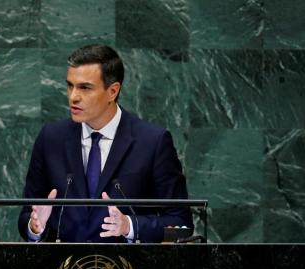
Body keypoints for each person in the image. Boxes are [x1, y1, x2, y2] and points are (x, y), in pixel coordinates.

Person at [17, 44, 191, 243]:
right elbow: (27, 215)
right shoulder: (50, 139)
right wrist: (34, 227)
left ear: (112, 91)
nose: (73, 96)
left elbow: (181, 225)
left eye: (85, 87)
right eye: (70, 85)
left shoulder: (153, 142)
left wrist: (129, 226)